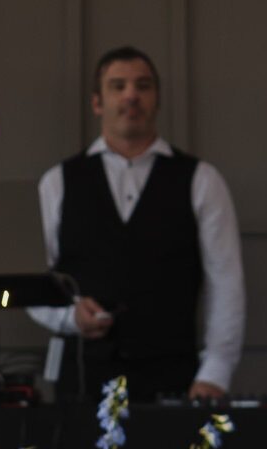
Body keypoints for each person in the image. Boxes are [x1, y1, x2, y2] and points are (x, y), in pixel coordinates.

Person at [30, 47, 245, 408]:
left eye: (143, 86)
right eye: (118, 86)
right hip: (82, 381)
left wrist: (216, 370)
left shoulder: (202, 180)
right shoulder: (58, 182)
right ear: (97, 103)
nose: (131, 95)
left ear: (156, 100)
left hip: (174, 379)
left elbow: (226, 283)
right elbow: (34, 280)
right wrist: (69, 317)